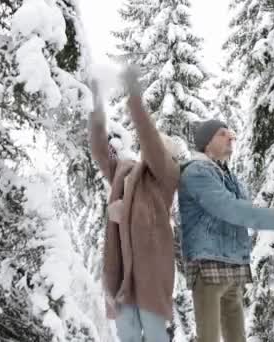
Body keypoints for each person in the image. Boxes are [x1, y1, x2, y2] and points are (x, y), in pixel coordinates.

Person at [178, 119, 274, 342]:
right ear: (206, 143)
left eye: (231, 133)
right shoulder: (197, 172)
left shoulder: (229, 176)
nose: (231, 137)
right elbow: (232, 209)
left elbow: (243, 210)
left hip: (233, 265)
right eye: (222, 134)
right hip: (208, 265)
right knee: (208, 338)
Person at [88, 67, 180, 342]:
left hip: (152, 278)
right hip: (123, 280)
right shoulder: (125, 174)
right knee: (127, 338)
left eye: (161, 150)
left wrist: (135, 98)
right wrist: (96, 105)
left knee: (155, 337)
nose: (154, 152)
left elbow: (149, 140)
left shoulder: (167, 178)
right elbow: (100, 150)